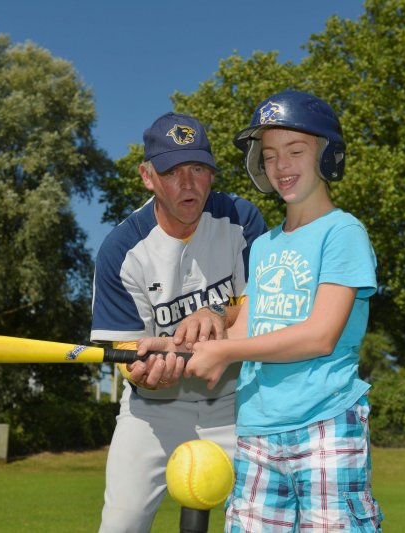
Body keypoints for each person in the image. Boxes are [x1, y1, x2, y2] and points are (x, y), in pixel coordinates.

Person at [139, 90, 384, 531]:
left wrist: (227, 354)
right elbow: (245, 329)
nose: (281, 166)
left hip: (325, 423)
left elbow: (320, 335)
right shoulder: (266, 245)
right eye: (269, 155)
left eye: (295, 151)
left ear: (328, 155)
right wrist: (177, 345)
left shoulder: (342, 232)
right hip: (255, 429)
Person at [91, 111, 268, 532]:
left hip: (234, 404)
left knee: (262, 522)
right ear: (147, 177)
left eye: (198, 169)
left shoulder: (241, 220)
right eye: (172, 172)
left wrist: (218, 313)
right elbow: (127, 355)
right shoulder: (121, 249)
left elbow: (268, 306)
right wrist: (143, 375)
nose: (188, 184)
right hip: (153, 411)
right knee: (121, 524)